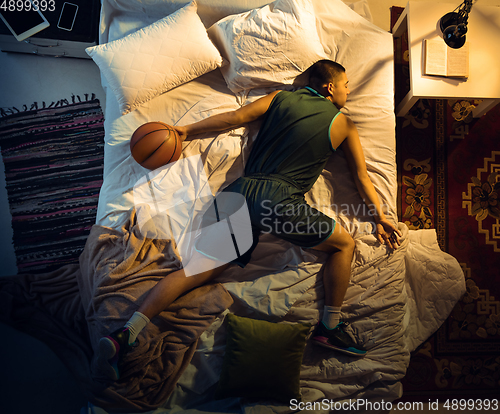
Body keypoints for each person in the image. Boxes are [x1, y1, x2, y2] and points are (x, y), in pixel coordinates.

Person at [97, 60, 402, 381]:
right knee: (344, 244)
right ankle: (329, 326)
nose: (349, 90)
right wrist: (379, 216)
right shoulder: (344, 124)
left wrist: (185, 131)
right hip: (277, 202)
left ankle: (127, 333)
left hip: (239, 193)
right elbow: (361, 176)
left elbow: (235, 118)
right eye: (346, 84)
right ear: (329, 87)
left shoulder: (280, 97)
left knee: (196, 271)